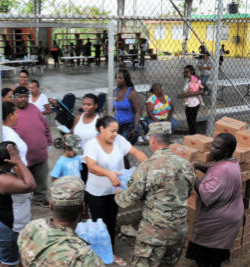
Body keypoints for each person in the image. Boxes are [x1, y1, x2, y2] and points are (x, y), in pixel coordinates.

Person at [115, 121, 196, 266]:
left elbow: (126, 201)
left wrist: (118, 191)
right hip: (178, 231)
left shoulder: (147, 167)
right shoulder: (186, 165)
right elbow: (187, 193)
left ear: (152, 140)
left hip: (153, 234)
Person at [84, 115, 148, 266]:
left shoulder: (119, 140)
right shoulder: (92, 144)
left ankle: (110, 252)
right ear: (101, 128)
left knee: (111, 222)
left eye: (116, 131)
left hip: (115, 192)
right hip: (96, 193)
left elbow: (136, 152)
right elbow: (91, 167)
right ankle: (98, 254)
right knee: (99, 225)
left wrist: (149, 164)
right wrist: (108, 173)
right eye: (112, 131)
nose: (115, 134)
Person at [18, 176, 104, 266]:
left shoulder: (31, 227)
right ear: (83, 208)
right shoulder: (85, 257)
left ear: (51, 206)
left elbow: (21, 261)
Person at [186, 133, 244, 267]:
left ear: (226, 151)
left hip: (218, 222)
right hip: (230, 216)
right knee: (215, 256)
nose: (211, 149)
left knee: (206, 257)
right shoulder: (231, 162)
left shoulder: (222, 170)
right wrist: (200, 166)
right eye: (212, 145)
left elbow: (206, 195)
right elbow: (216, 171)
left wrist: (193, 176)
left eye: (216, 148)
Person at [0, 142, 36, 267]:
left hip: (6, 224)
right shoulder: (2, 179)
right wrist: (19, 161)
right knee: (8, 262)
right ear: (9, 159)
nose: (18, 155)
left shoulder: (1, 170)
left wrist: (17, 163)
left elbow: (23, 176)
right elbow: (31, 185)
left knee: (16, 256)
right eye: (16, 154)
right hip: (6, 227)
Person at [13, 86, 52, 207]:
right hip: (23, 158)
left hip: (40, 154)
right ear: (14, 98)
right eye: (20, 97)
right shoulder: (11, 112)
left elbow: (46, 126)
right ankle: (25, 200)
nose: (23, 99)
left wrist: (49, 142)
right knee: (24, 180)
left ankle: (39, 198)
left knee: (41, 179)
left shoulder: (34, 108)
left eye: (25, 96)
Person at [72, 93, 99, 184]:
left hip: (91, 162)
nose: (85, 107)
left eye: (89, 105)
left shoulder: (98, 121)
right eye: (84, 104)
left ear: (95, 106)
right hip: (77, 160)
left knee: (90, 187)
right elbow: (73, 133)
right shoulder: (79, 117)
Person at [113, 69, 141, 145]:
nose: (117, 80)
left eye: (120, 78)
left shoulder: (131, 93)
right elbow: (111, 108)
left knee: (122, 145)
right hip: (116, 124)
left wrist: (135, 128)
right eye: (116, 78)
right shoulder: (115, 91)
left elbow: (138, 111)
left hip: (128, 124)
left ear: (126, 79)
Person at [178, 65, 203, 135]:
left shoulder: (195, 79)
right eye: (184, 72)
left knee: (192, 121)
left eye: (187, 72)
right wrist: (183, 94)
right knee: (189, 121)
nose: (185, 73)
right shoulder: (188, 80)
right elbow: (187, 91)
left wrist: (185, 95)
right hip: (188, 103)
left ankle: (193, 135)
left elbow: (200, 91)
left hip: (194, 104)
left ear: (191, 71)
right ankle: (191, 134)